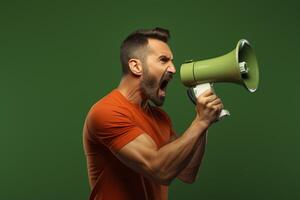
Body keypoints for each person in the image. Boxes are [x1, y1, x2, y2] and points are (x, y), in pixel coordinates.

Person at [83, 27, 223, 200]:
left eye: (172, 61)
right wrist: (200, 121)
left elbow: (187, 173)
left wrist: (205, 122)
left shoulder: (160, 117)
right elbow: (159, 170)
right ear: (136, 66)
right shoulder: (107, 111)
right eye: (163, 60)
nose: (173, 69)